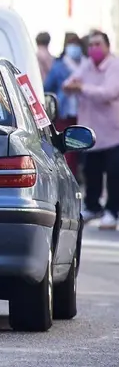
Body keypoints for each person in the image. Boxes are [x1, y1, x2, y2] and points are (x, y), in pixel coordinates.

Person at [63, 30, 119, 230]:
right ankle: (93, 206)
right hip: (91, 131)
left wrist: (83, 88)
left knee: (113, 173)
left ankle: (113, 211)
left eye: (98, 44)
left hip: (113, 132)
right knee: (91, 171)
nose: (94, 48)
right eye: (91, 45)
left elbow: (109, 93)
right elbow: (68, 83)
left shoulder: (114, 66)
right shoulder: (87, 65)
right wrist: (73, 86)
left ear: (107, 46)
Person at [43, 32, 84, 178]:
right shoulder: (59, 66)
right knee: (68, 151)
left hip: (83, 114)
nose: (74, 48)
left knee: (82, 149)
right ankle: (67, 178)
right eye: (71, 44)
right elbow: (47, 86)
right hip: (64, 113)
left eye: (76, 44)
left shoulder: (86, 64)